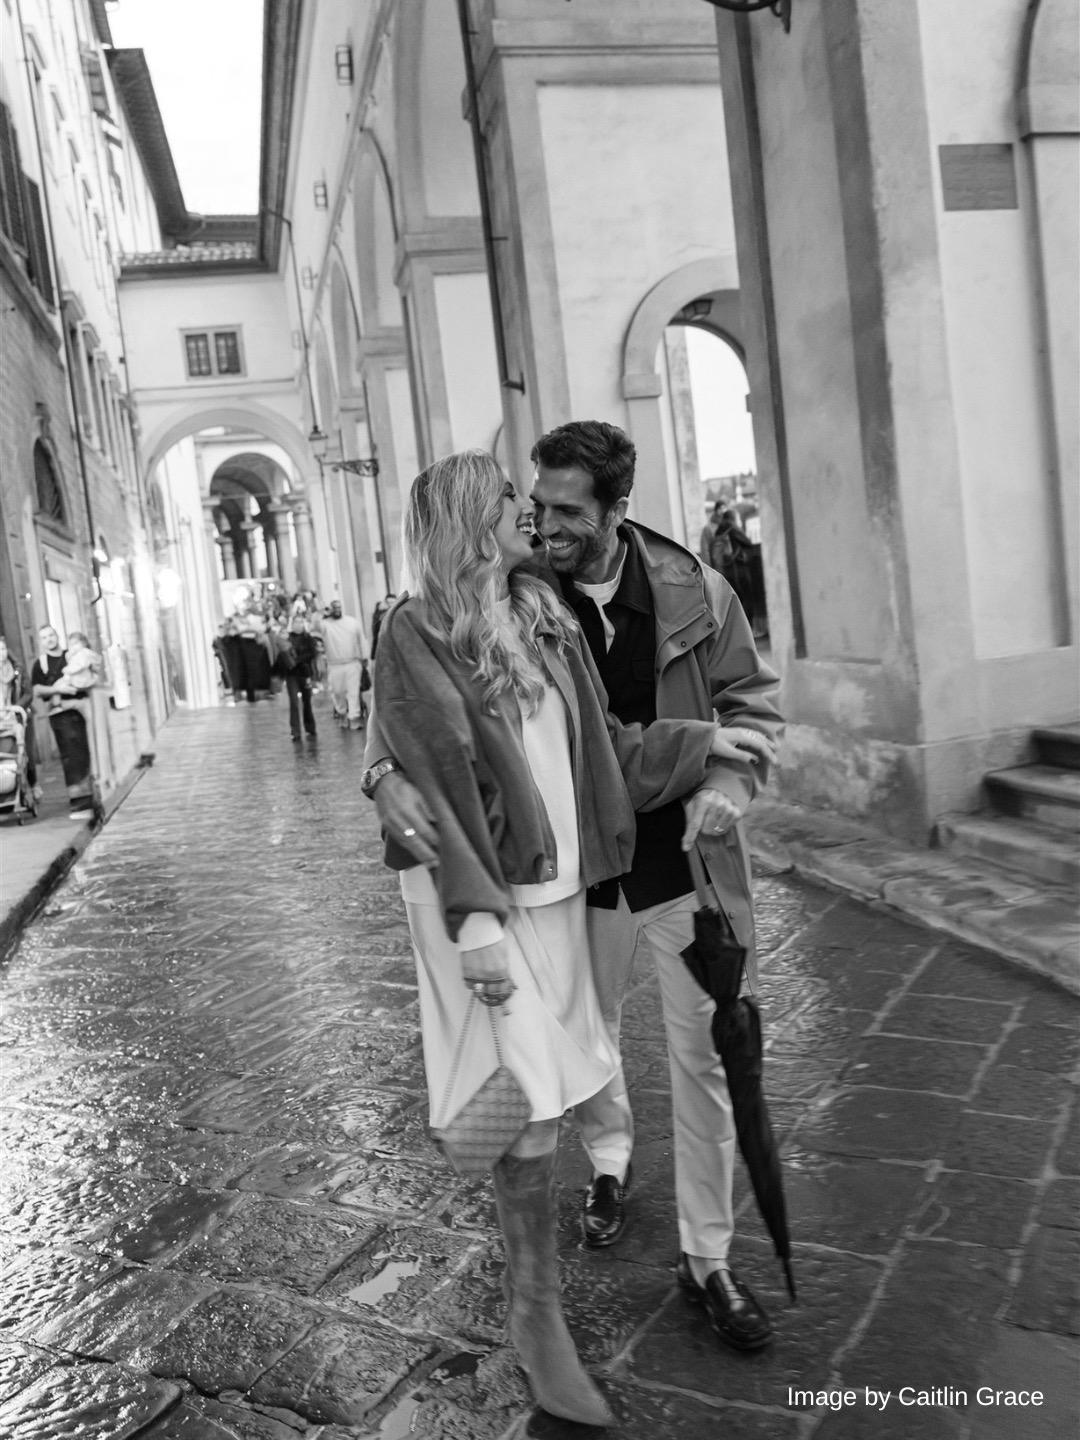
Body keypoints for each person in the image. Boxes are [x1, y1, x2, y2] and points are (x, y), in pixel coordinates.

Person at [369, 449, 767, 1427]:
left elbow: (614, 753)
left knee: (532, 1094)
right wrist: (473, 929)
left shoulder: (545, 619)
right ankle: (536, 1318)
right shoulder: (414, 631)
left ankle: (506, 1225)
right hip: (483, 902)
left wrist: (703, 742)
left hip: (561, 898)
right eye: (508, 499)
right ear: (470, 517)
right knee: (535, 1112)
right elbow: (438, 781)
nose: (527, 515)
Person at [31, 625, 97, 816]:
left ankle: (92, 793)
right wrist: (58, 690)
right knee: (70, 755)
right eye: (44, 637)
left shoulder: (73, 655)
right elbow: (37, 690)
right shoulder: (40, 664)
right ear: (40, 642)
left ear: (57, 635)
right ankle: (78, 800)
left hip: (82, 708)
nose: (49, 639)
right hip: (60, 714)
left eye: (51, 635)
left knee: (87, 751)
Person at [0, 635, 40, 794]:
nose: (0, 653)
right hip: (2, 719)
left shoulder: (18, 670)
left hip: (19, 715)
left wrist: (16, 707)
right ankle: (11, 790)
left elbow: (28, 694)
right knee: (7, 755)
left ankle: (34, 784)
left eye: (2, 649)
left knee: (26, 751)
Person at [318, 599, 367, 729]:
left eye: (339, 607)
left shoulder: (352, 622)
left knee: (353, 692)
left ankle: (354, 717)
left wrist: (364, 657)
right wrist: (322, 613)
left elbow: (361, 639)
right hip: (334, 664)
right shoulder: (325, 624)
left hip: (352, 662)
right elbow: (314, 627)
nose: (337, 610)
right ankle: (341, 712)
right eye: (334, 607)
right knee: (337, 692)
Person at [276, 614, 319, 742]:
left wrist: (297, 660)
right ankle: (295, 731)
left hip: (305, 673)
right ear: (292, 624)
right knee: (293, 702)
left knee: (307, 701)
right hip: (292, 675)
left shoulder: (308, 638)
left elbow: (312, 653)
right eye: (296, 622)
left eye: (300, 622)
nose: (298, 625)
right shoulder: (287, 637)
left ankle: (310, 727)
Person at [369, 592, 396, 661]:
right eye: (388, 603)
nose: (390, 605)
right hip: (387, 650)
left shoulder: (401, 614)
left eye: (392, 602)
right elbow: (376, 635)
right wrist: (373, 654)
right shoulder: (382, 617)